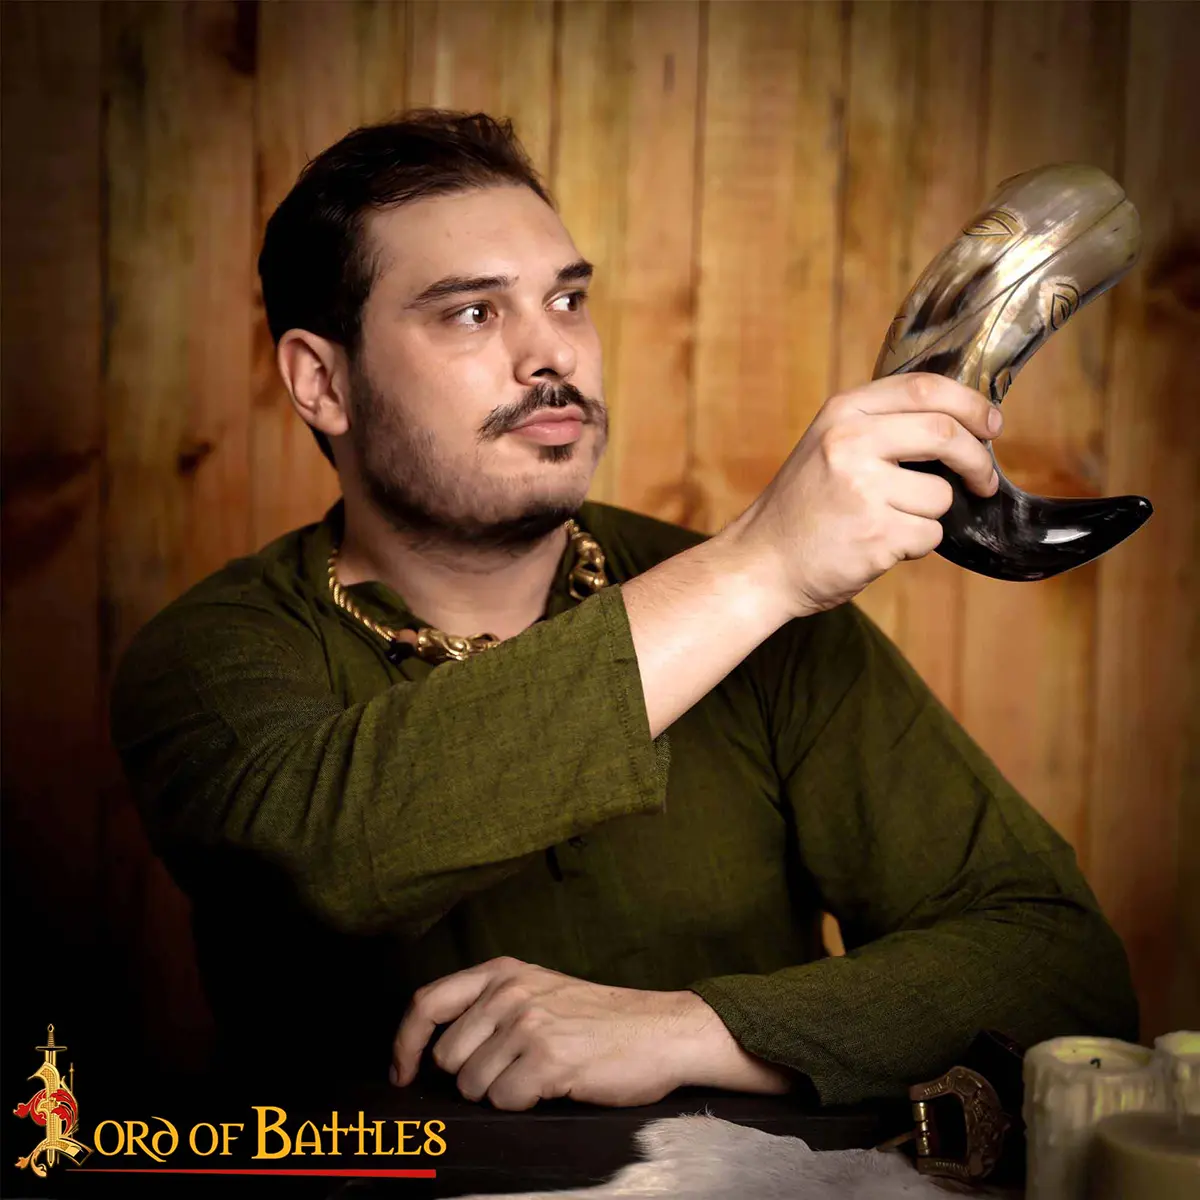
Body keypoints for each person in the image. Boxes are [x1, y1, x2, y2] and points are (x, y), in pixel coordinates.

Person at [111, 109, 1137, 1111]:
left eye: (566, 300)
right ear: (321, 382)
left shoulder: (774, 623)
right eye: (472, 314)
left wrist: (693, 1029)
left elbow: (1061, 966)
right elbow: (318, 859)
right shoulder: (213, 651)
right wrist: (758, 565)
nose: (551, 355)